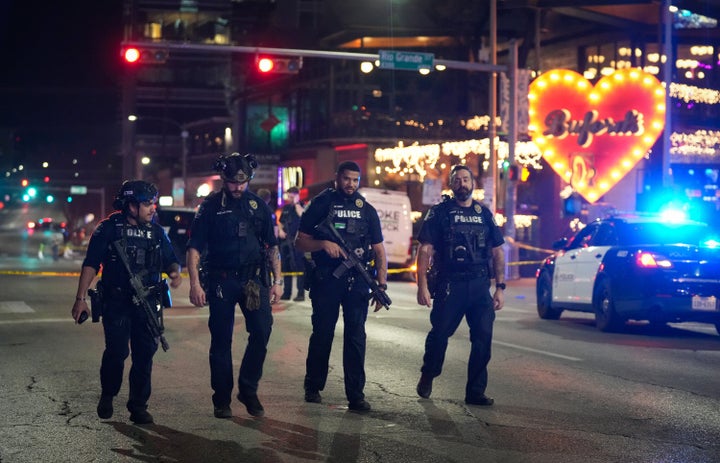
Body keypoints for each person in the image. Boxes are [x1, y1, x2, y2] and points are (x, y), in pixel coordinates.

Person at [70, 180, 182, 424]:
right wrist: (80, 299)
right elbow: (91, 263)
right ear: (131, 206)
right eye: (147, 204)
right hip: (118, 300)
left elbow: (171, 259)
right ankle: (108, 394)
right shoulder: (109, 228)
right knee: (117, 351)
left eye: (153, 203)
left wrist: (175, 272)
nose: (153, 208)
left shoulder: (156, 231)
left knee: (145, 354)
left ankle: (138, 406)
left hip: (148, 302)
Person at [186, 152, 283, 419]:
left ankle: (248, 389)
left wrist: (278, 281)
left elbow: (272, 246)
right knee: (221, 340)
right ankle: (222, 399)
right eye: (232, 182)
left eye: (243, 182)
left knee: (262, 332)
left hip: (253, 280)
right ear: (223, 179)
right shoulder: (210, 207)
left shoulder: (258, 206)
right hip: (221, 281)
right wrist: (194, 284)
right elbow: (194, 249)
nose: (238, 187)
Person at [295, 161, 388, 412]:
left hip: (357, 281)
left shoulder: (366, 209)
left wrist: (381, 284)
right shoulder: (321, 204)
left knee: (356, 337)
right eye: (347, 179)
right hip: (327, 279)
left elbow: (379, 249)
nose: (351, 184)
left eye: (355, 180)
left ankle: (356, 395)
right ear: (337, 177)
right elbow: (300, 242)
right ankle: (313, 386)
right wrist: (323, 244)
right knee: (323, 334)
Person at [415, 164, 506, 406]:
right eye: (457, 180)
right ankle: (429, 373)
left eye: (466, 179)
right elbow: (425, 249)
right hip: (450, 284)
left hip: (479, 284)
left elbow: (498, 252)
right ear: (452, 184)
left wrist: (500, 287)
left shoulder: (484, 214)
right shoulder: (440, 212)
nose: (462, 184)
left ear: (472, 183)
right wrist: (421, 285)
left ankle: (475, 392)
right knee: (440, 334)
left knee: (483, 338)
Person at [278, 187, 306, 301]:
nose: (290, 198)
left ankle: (300, 293)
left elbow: (302, 216)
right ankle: (287, 292)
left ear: (297, 195)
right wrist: (280, 230)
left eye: (292, 196)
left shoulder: (302, 206)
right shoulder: (286, 208)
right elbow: (280, 222)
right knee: (286, 267)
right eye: (289, 196)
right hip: (285, 241)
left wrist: (296, 203)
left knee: (299, 267)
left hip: (298, 241)